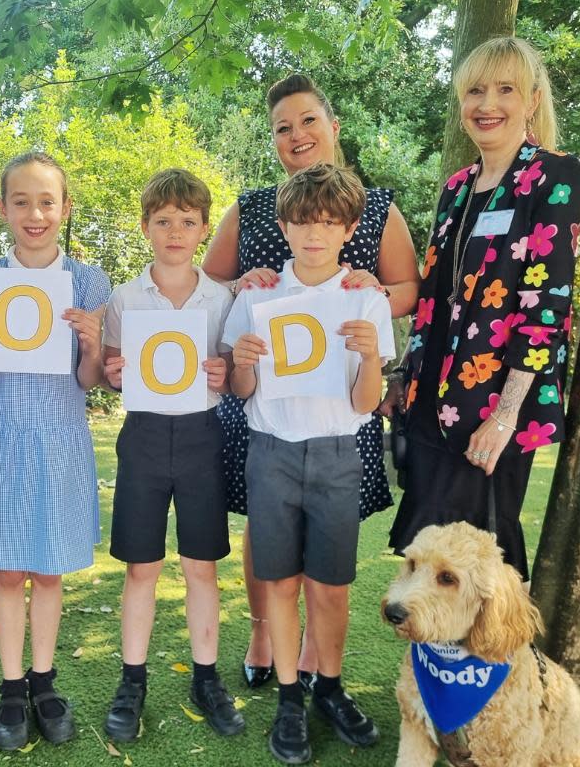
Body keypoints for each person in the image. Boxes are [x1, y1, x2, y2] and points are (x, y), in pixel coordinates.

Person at [201, 73, 420, 689]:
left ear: (332, 126)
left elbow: (409, 289)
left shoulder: (377, 208)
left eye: (307, 121)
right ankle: (265, 635)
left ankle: (318, 672)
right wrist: (240, 286)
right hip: (267, 401)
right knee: (262, 529)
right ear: (273, 140)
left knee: (329, 556)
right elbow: (208, 284)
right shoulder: (252, 207)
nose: (297, 135)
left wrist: (372, 291)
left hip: (339, 401)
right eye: (283, 127)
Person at [383, 37, 580, 580]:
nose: (487, 104)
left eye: (504, 90)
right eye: (475, 90)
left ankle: (490, 667)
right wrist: (405, 374)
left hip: (494, 403)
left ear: (532, 100)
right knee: (426, 557)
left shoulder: (552, 177)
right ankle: (426, 668)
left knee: (477, 563)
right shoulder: (457, 188)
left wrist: (504, 415)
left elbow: (547, 302)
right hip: (432, 398)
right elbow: (432, 296)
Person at [222, 162, 395, 763]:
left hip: (337, 455)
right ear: (284, 224)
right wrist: (242, 360)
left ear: (349, 228)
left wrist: (372, 357)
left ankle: (330, 686)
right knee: (279, 579)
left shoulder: (366, 297)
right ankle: (290, 698)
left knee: (331, 586)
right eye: (302, 222)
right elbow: (241, 390)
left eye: (327, 223)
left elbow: (366, 403)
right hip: (269, 452)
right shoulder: (259, 293)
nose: (314, 234)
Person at [0, 152, 111, 750]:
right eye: (21, 201)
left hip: (61, 439)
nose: (35, 213)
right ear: (2, 209)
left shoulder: (90, 282)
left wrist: (92, 346)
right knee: (9, 570)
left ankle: (45, 681)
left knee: (48, 570)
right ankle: (12, 686)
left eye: (47, 201)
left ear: (65, 208)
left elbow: (89, 380)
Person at [100, 169, 244, 742]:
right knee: (142, 566)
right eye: (163, 221)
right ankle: (132, 680)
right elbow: (113, 372)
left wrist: (225, 371)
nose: (176, 232)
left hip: (203, 438)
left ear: (204, 228)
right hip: (142, 438)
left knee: (201, 565)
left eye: (188, 221)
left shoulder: (224, 297)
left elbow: (237, 376)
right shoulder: (124, 297)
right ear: (146, 227)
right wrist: (113, 375)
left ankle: (205, 677)